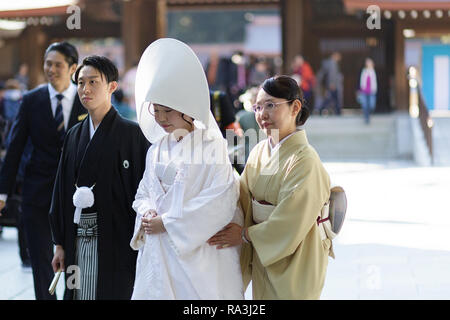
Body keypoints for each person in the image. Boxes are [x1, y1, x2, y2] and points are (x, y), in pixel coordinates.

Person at [130, 38, 244, 300]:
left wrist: (167, 224)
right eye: (156, 111)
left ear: (188, 110)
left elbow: (220, 199)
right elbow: (143, 191)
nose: (160, 119)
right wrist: (147, 212)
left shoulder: (212, 146)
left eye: (167, 111)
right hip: (159, 250)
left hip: (198, 253)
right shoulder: (156, 148)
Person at [208, 75, 332, 299]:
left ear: (295, 108)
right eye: (257, 107)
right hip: (263, 258)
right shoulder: (259, 152)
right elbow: (241, 198)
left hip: (296, 261)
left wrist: (245, 234)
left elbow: (290, 221)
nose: (261, 115)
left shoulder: (306, 160)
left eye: (270, 105)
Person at [49, 55, 149, 300]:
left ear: (112, 87)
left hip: (118, 238)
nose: (85, 89)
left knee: (114, 291)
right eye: (81, 83)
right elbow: (62, 191)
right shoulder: (74, 135)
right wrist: (59, 243)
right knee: (79, 292)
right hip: (77, 235)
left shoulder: (133, 135)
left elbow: (145, 190)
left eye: (93, 82)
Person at [0, 41, 86, 300]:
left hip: (75, 195)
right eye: (48, 63)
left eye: (58, 64)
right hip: (36, 193)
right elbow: (14, 147)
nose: (51, 69)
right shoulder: (31, 100)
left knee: (74, 260)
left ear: (72, 68)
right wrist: (2, 192)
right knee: (40, 259)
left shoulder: (86, 101)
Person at [358, 58, 377, 124]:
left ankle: (369, 115)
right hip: (364, 91)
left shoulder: (373, 71)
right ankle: (367, 118)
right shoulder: (364, 71)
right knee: (365, 105)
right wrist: (361, 89)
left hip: (371, 91)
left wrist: (375, 89)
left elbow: (374, 82)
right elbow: (361, 81)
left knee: (371, 105)